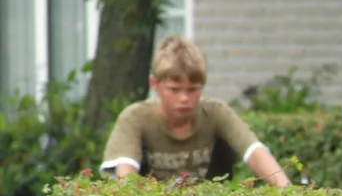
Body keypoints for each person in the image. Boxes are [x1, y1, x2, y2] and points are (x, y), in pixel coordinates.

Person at [99, 36, 291, 186]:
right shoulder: (135, 118)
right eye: (174, 90)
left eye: (192, 89)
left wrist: (288, 193)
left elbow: (254, 151)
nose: (184, 98)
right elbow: (125, 178)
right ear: (154, 84)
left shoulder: (215, 113)